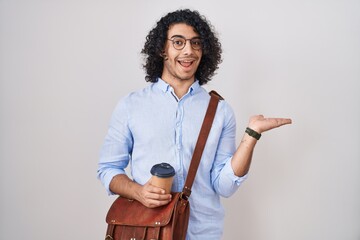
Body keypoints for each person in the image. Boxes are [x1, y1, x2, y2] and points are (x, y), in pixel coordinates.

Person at [97, 9, 292, 239]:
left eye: (196, 43)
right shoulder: (131, 106)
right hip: (148, 231)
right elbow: (108, 169)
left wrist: (252, 135)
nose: (188, 50)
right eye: (178, 42)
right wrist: (138, 192)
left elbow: (224, 186)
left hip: (203, 233)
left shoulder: (220, 110)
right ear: (162, 49)